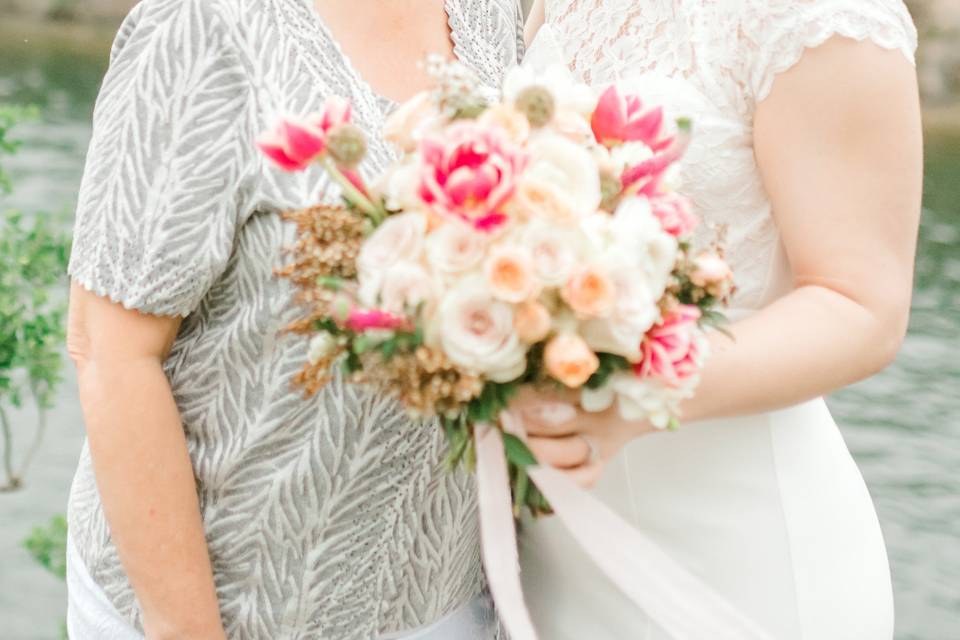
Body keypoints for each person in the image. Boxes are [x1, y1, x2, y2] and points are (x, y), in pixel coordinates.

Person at [64, 0, 523, 638]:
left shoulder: (487, 11)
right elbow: (110, 354)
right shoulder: (197, 26)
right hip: (226, 609)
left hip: (443, 593)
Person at [517, 0, 921, 637]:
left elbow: (861, 306)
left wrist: (634, 395)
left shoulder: (828, 16)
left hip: (736, 553)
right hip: (549, 546)